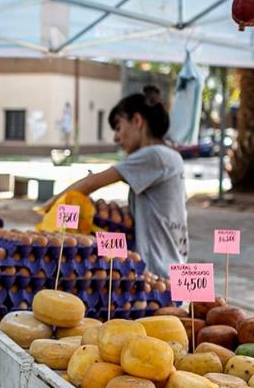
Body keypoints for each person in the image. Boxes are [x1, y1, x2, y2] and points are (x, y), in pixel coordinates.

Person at [42, 86, 188, 273]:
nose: (116, 138)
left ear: (137, 121)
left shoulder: (154, 155)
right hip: (170, 264)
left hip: (157, 270)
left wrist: (51, 205)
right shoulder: (169, 155)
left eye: (119, 128)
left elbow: (93, 182)